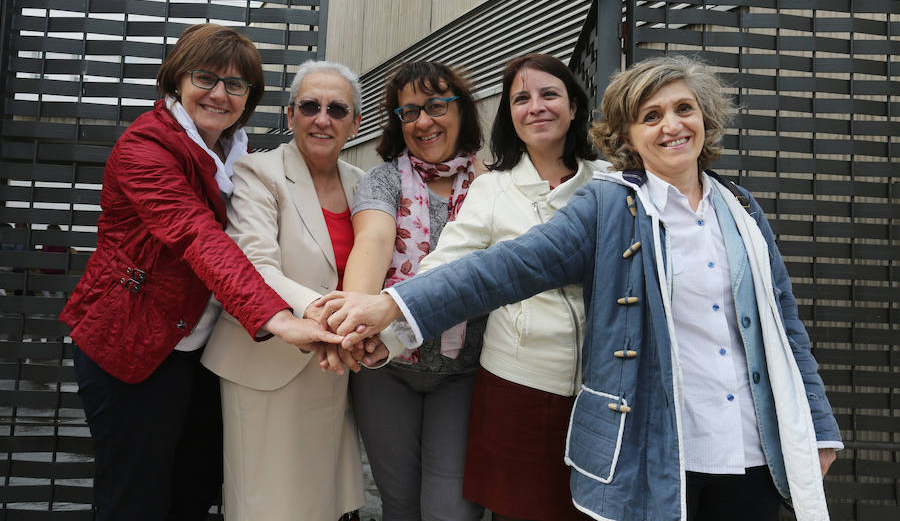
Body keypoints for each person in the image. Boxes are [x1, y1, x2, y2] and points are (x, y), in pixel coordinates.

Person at [319, 56, 843, 521]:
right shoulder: (608, 205)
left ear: (706, 118)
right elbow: (501, 269)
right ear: (628, 136)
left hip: (752, 445)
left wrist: (817, 426)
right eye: (651, 116)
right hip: (662, 446)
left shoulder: (742, 209)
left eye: (684, 108)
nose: (672, 126)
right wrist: (390, 306)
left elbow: (785, 328)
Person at [59, 23, 342, 521]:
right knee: (135, 500)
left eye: (236, 85)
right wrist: (277, 319)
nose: (219, 94)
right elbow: (197, 237)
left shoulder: (236, 158)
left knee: (194, 490)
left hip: (202, 349)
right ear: (176, 81)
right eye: (205, 78)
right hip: (133, 343)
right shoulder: (145, 148)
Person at [403, 53, 602, 520]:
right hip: (518, 385)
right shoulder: (492, 189)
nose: (536, 106)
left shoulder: (612, 183)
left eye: (549, 94)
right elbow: (445, 267)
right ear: (510, 116)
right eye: (521, 98)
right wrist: (390, 324)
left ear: (574, 106)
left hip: (600, 391)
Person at [201, 60, 383, 520]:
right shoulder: (256, 172)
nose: (323, 118)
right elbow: (253, 266)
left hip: (333, 371)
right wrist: (324, 313)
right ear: (290, 115)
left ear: (356, 123)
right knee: (267, 504)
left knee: (324, 501)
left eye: (338, 109)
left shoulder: (364, 186)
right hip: (265, 366)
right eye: (310, 106)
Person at [340, 60, 487, 520]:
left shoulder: (492, 186)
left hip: (463, 374)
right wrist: (357, 322)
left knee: (451, 510)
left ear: (461, 110)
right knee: (399, 506)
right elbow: (374, 240)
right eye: (409, 112)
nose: (423, 121)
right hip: (387, 367)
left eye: (436, 106)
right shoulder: (384, 179)